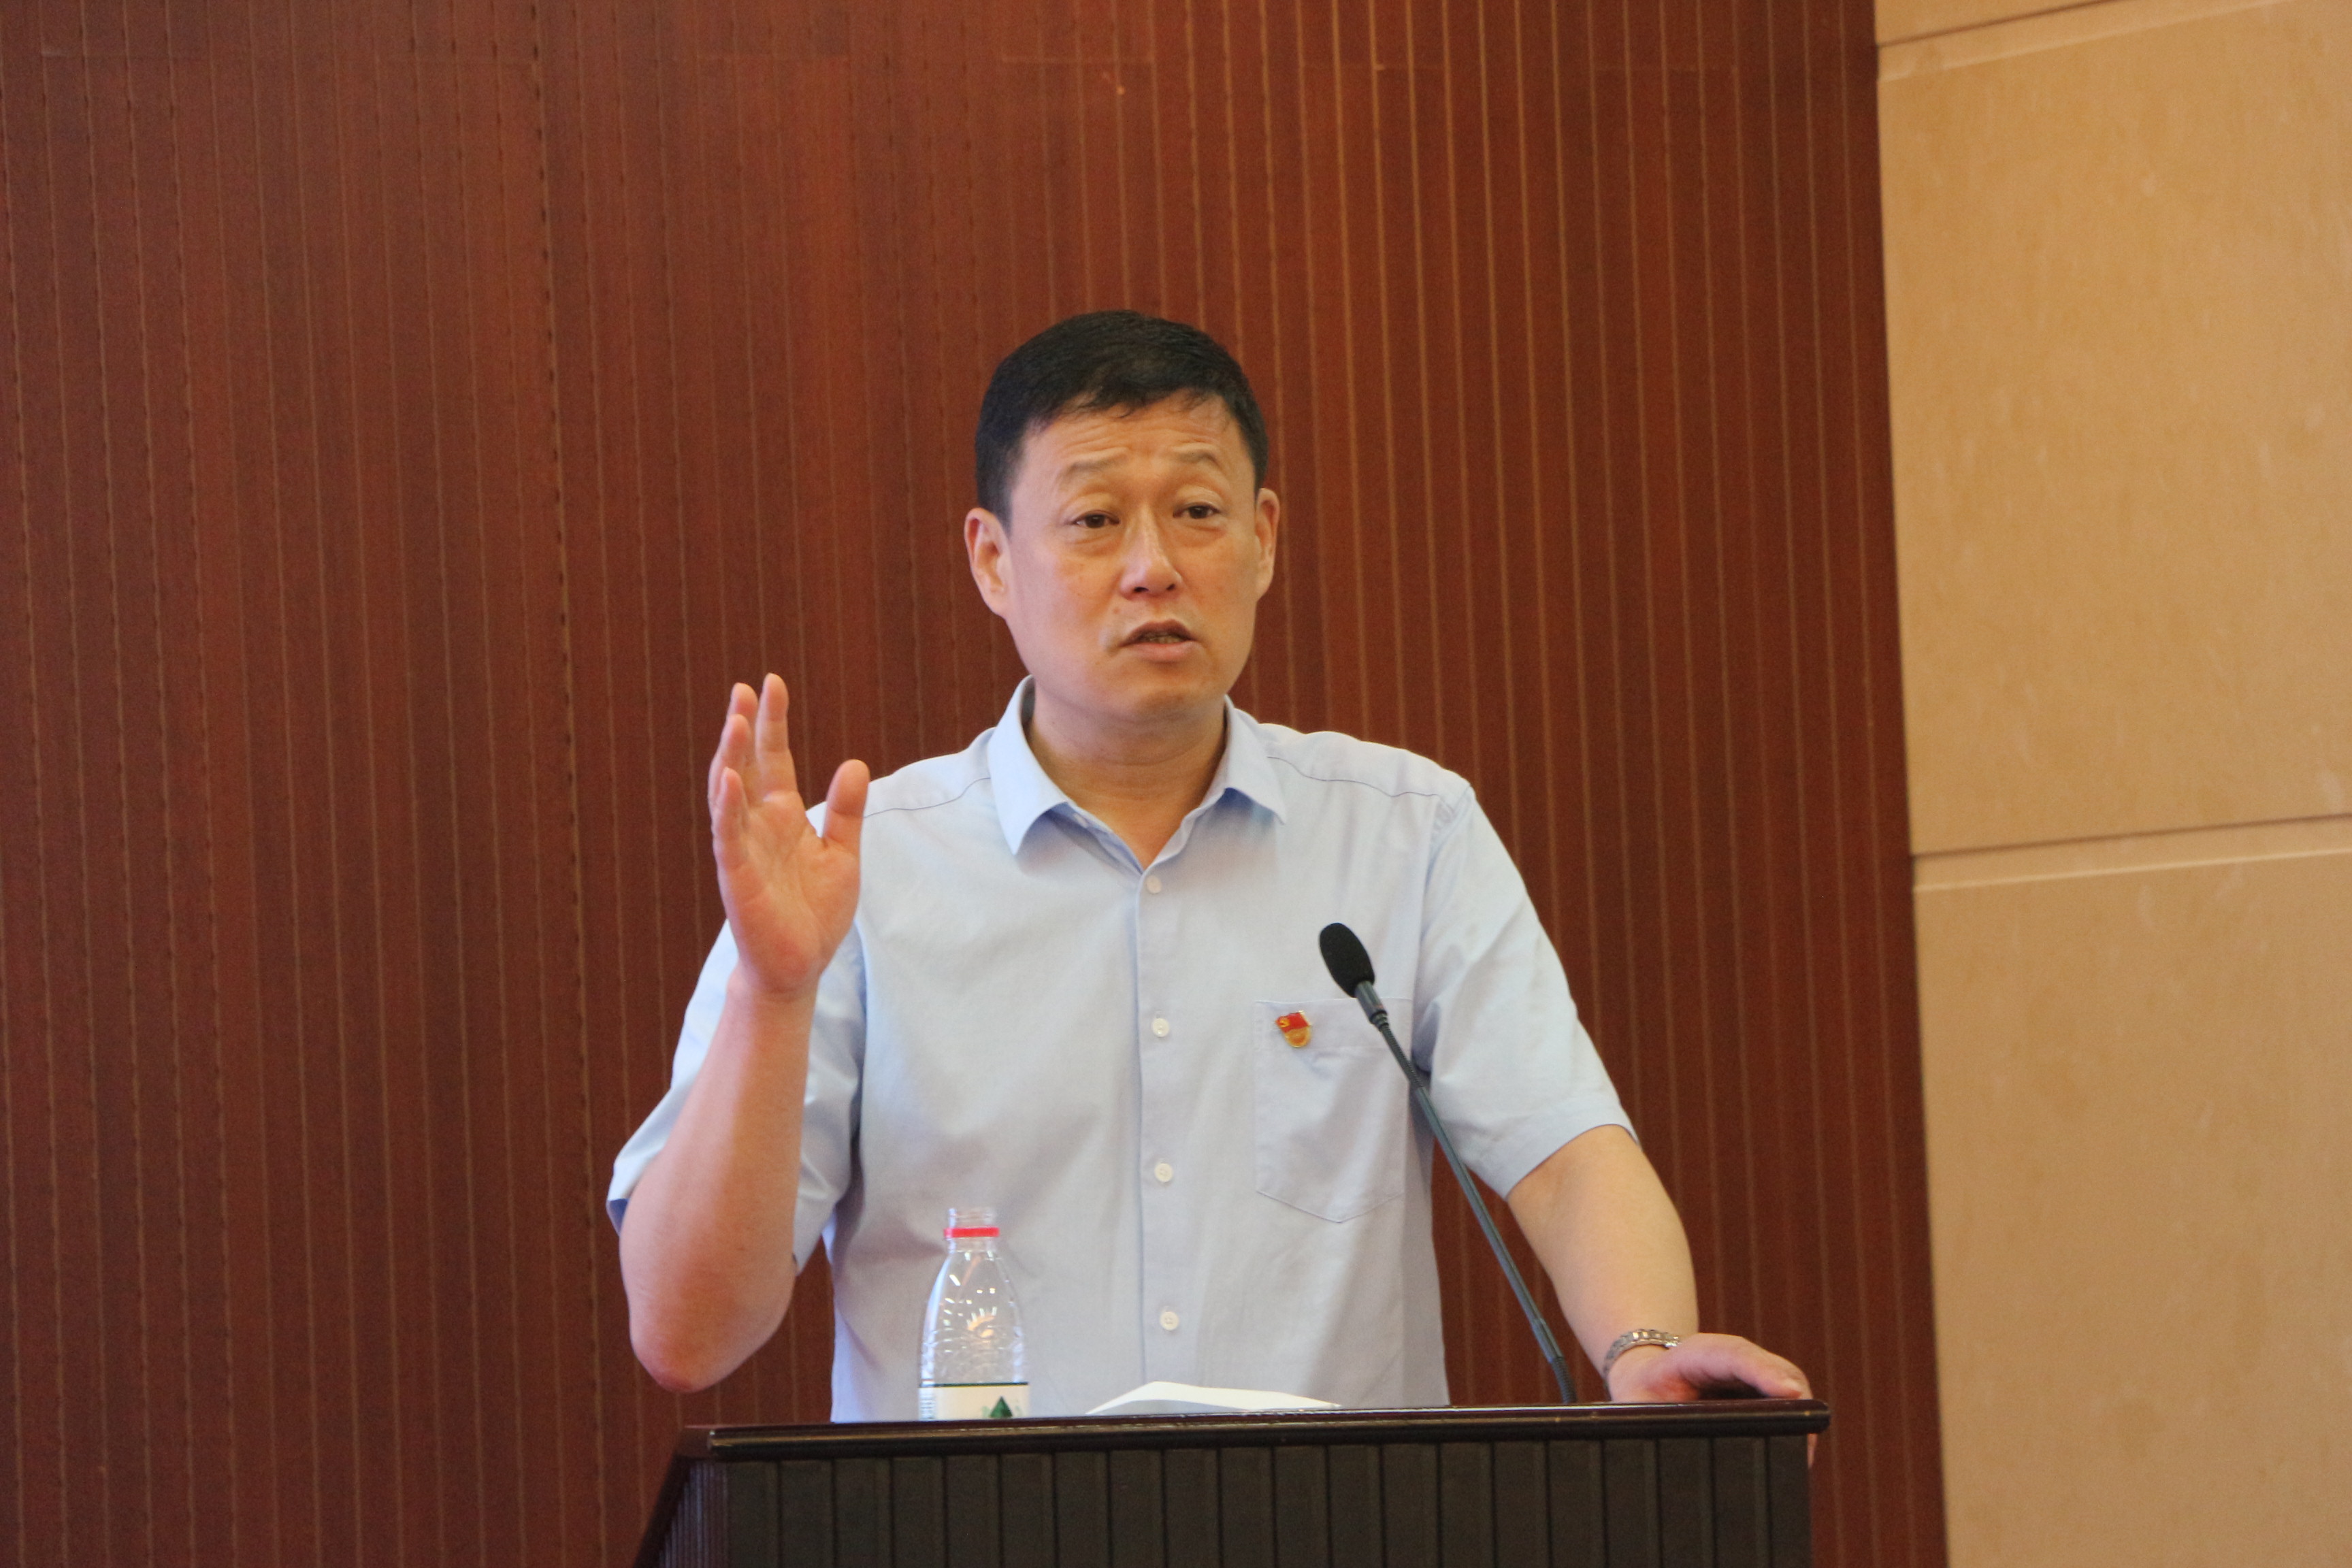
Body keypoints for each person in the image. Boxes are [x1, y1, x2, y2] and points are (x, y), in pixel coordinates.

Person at [610, 310, 1809, 1418]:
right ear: (992, 559)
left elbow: (1562, 1155)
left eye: (1196, 511)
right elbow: (687, 1335)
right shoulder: (859, 875)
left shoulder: (1406, 833)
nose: (1153, 567)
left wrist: (1643, 1348)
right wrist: (775, 995)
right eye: (1094, 521)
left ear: (1264, 537)